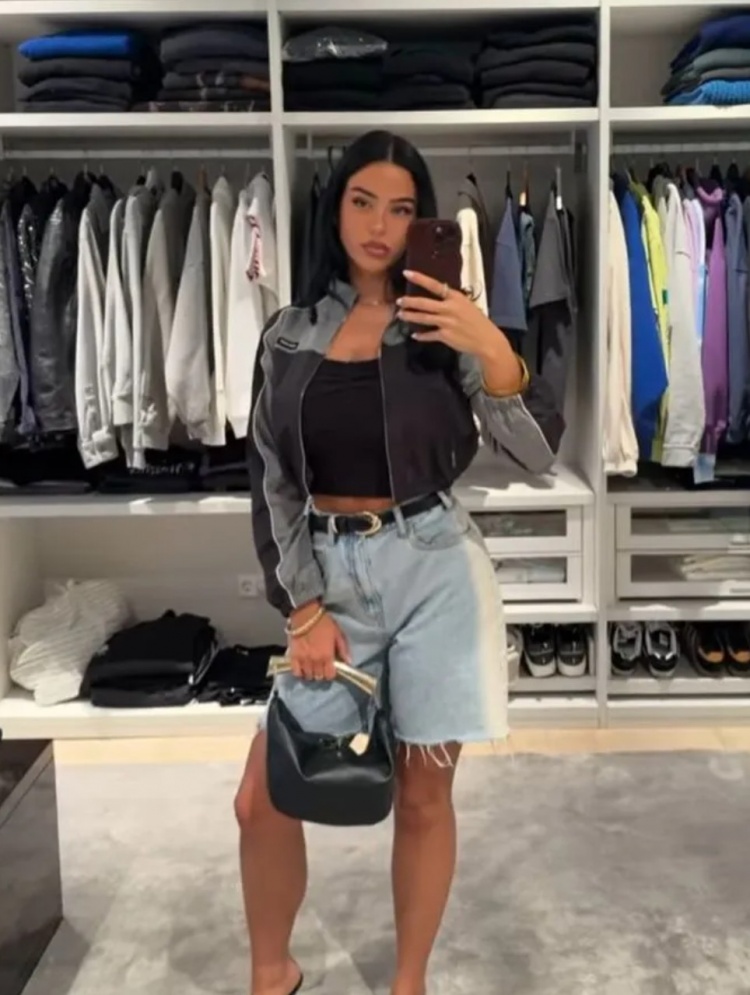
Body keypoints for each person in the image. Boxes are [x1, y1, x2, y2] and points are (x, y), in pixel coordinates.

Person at [235, 129, 564, 995]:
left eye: (402, 208)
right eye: (363, 202)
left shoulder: (442, 324)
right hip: (329, 580)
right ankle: (272, 972)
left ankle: (407, 981)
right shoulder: (287, 334)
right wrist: (303, 607)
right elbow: (271, 479)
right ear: (335, 210)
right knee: (262, 797)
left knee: (422, 799)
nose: (380, 225)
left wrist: (492, 347)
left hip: (435, 572)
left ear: (423, 222)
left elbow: (535, 452)